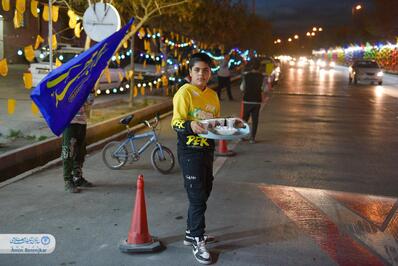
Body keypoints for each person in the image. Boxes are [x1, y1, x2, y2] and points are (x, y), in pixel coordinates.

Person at [171, 53, 220, 265]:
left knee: (205, 190)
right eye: (197, 70)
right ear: (190, 72)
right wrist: (190, 125)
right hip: (190, 152)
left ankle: (192, 232)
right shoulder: (184, 93)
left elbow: (216, 122)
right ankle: (198, 241)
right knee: (197, 196)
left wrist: (223, 130)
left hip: (207, 151)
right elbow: (176, 123)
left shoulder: (213, 96)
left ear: (210, 73)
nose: (201, 73)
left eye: (205, 70)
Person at [61, 91, 95, 193]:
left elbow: (89, 102)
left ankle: (77, 177)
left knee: (81, 151)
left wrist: (91, 90)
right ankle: (68, 180)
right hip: (69, 123)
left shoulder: (84, 83)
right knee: (68, 151)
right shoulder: (66, 84)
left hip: (82, 122)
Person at [240, 59, 268, 144]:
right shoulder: (262, 77)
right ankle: (252, 138)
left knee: (244, 119)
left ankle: (241, 136)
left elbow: (242, 88)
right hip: (256, 101)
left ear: (251, 66)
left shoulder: (246, 76)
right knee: (255, 120)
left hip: (247, 100)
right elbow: (264, 88)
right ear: (259, 67)